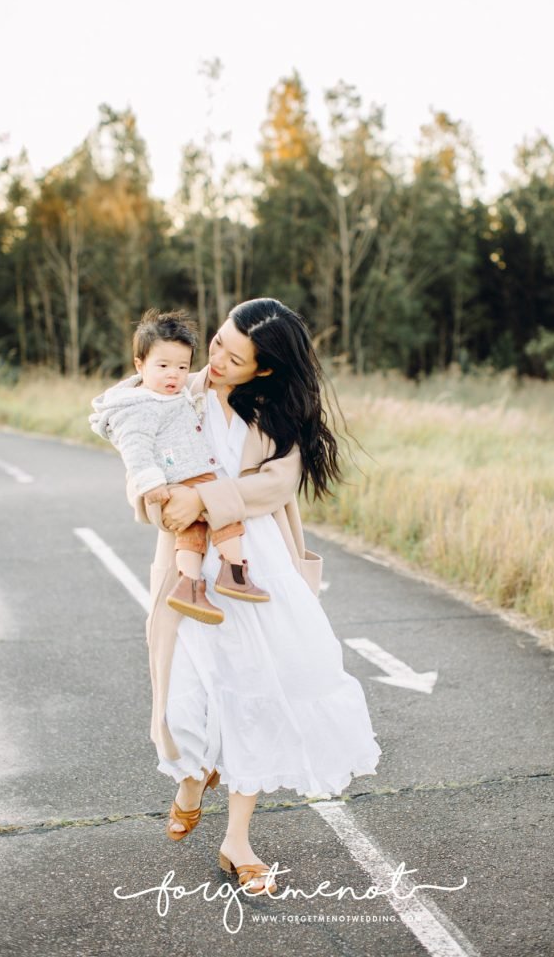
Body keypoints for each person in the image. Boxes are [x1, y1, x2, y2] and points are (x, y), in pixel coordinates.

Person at [127, 297, 382, 895]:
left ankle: (236, 839)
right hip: (189, 569)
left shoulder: (274, 413)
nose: (213, 360)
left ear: (261, 370)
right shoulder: (170, 387)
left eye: (232, 357)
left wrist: (207, 501)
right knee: (181, 707)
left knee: (259, 696)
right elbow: (131, 444)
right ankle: (193, 779)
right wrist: (162, 500)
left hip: (254, 571)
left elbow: (276, 484)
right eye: (216, 343)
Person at [89, 308, 270, 624]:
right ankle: (235, 572)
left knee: (194, 531)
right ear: (139, 365)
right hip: (185, 474)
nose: (174, 375)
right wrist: (151, 482)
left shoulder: (174, 392)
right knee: (224, 516)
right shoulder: (140, 405)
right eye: (163, 366)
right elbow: (135, 448)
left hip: (187, 472)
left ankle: (189, 584)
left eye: (182, 366)